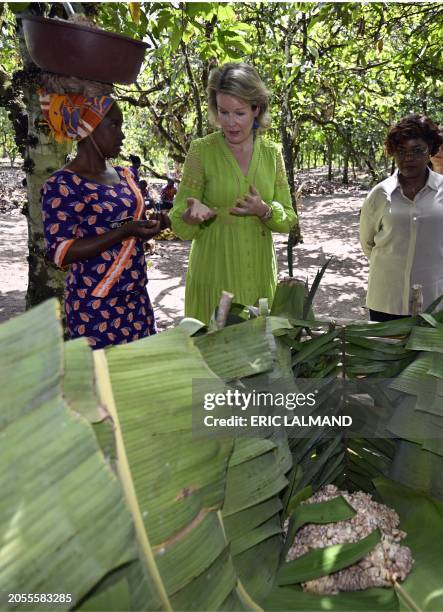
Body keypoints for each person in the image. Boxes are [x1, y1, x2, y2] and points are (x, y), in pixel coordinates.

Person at [170, 62, 297, 324]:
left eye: (239, 113)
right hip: (213, 269)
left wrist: (264, 210)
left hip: (258, 271)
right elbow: (178, 220)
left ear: (256, 109)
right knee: (215, 352)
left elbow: (288, 220)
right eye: (223, 112)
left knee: (257, 352)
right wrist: (190, 217)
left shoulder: (271, 154)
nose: (230, 122)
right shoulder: (201, 150)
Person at [40, 92, 167, 348]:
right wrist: (125, 231)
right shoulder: (63, 184)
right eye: (114, 125)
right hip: (95, 307)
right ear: (89, 128)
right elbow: (61, 252)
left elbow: (118, 224)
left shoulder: (124, 175)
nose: (121, 134)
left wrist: (152, 226)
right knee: (102, 381)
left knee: (139, 376)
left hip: (136, 298)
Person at [360, 115, 443, 322]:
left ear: (431, 149)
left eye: (417, 150)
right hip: (386, 299)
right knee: (385, 353)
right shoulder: (379, 194)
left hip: (434, 301)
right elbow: (368, 243)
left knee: (426, 354)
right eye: (401, 151)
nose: (409, 158)